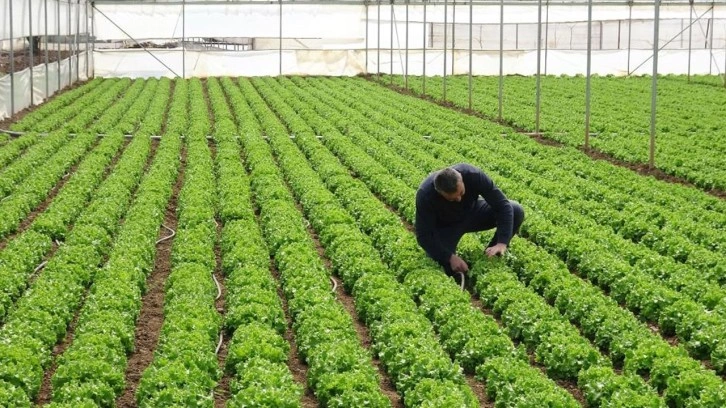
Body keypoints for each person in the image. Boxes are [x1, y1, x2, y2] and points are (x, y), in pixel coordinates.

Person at [415, 163, 524, 277]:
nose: (459, 199)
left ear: (461, 178)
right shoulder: (425, 195)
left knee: (516, 210)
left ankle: (491, 255)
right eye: (452, 199)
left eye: (461, 193)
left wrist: (502, 242)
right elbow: (424, 236)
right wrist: (449, 257)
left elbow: (503, 205)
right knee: (448, 269)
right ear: (440, 192)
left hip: (473, 213)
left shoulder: (473, 175)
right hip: (447, 226)